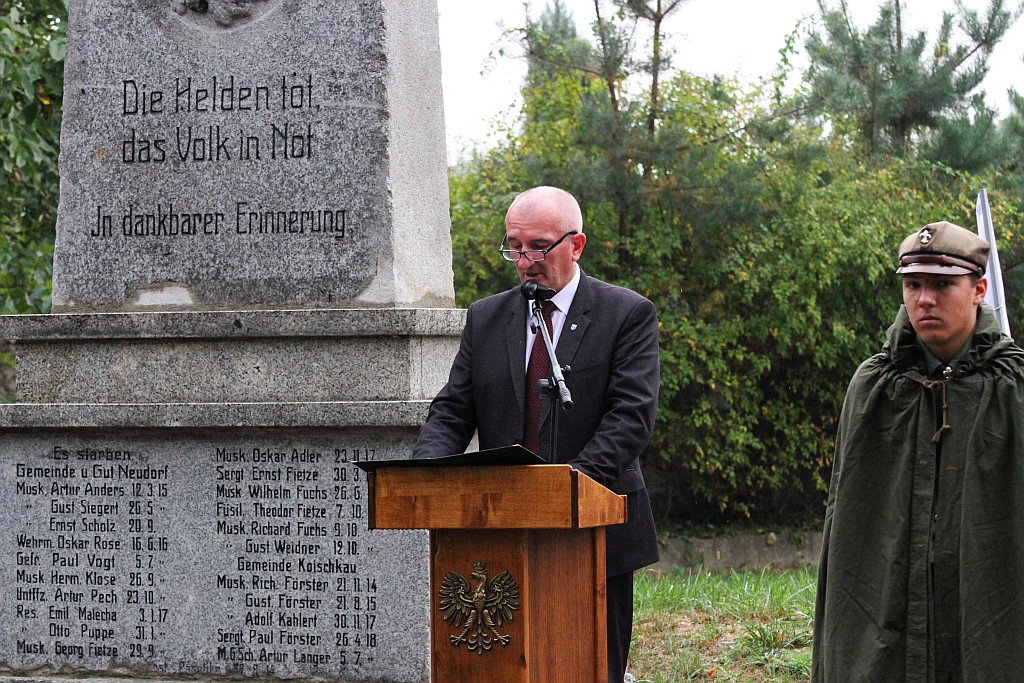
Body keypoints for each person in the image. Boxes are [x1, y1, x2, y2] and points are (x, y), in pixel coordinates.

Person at [413, 186, 660, 683]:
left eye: (539, 246)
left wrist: (565, 490)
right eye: (514, 246)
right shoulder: (486, 317)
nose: (525, 261)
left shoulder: (625, 314)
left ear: (577, 245)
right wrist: (426, 474)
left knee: (590, 671)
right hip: (498, 533)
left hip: (595, 533)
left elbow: (630, 417)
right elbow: (454, 409)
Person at [812, 221, 1024, 682]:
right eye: (913, 285)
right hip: (885, 612)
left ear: (978, 290)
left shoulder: (1012, 389)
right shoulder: (874, 386)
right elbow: (846, 520)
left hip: (986, 609)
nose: (924, 299)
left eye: (943, 284)